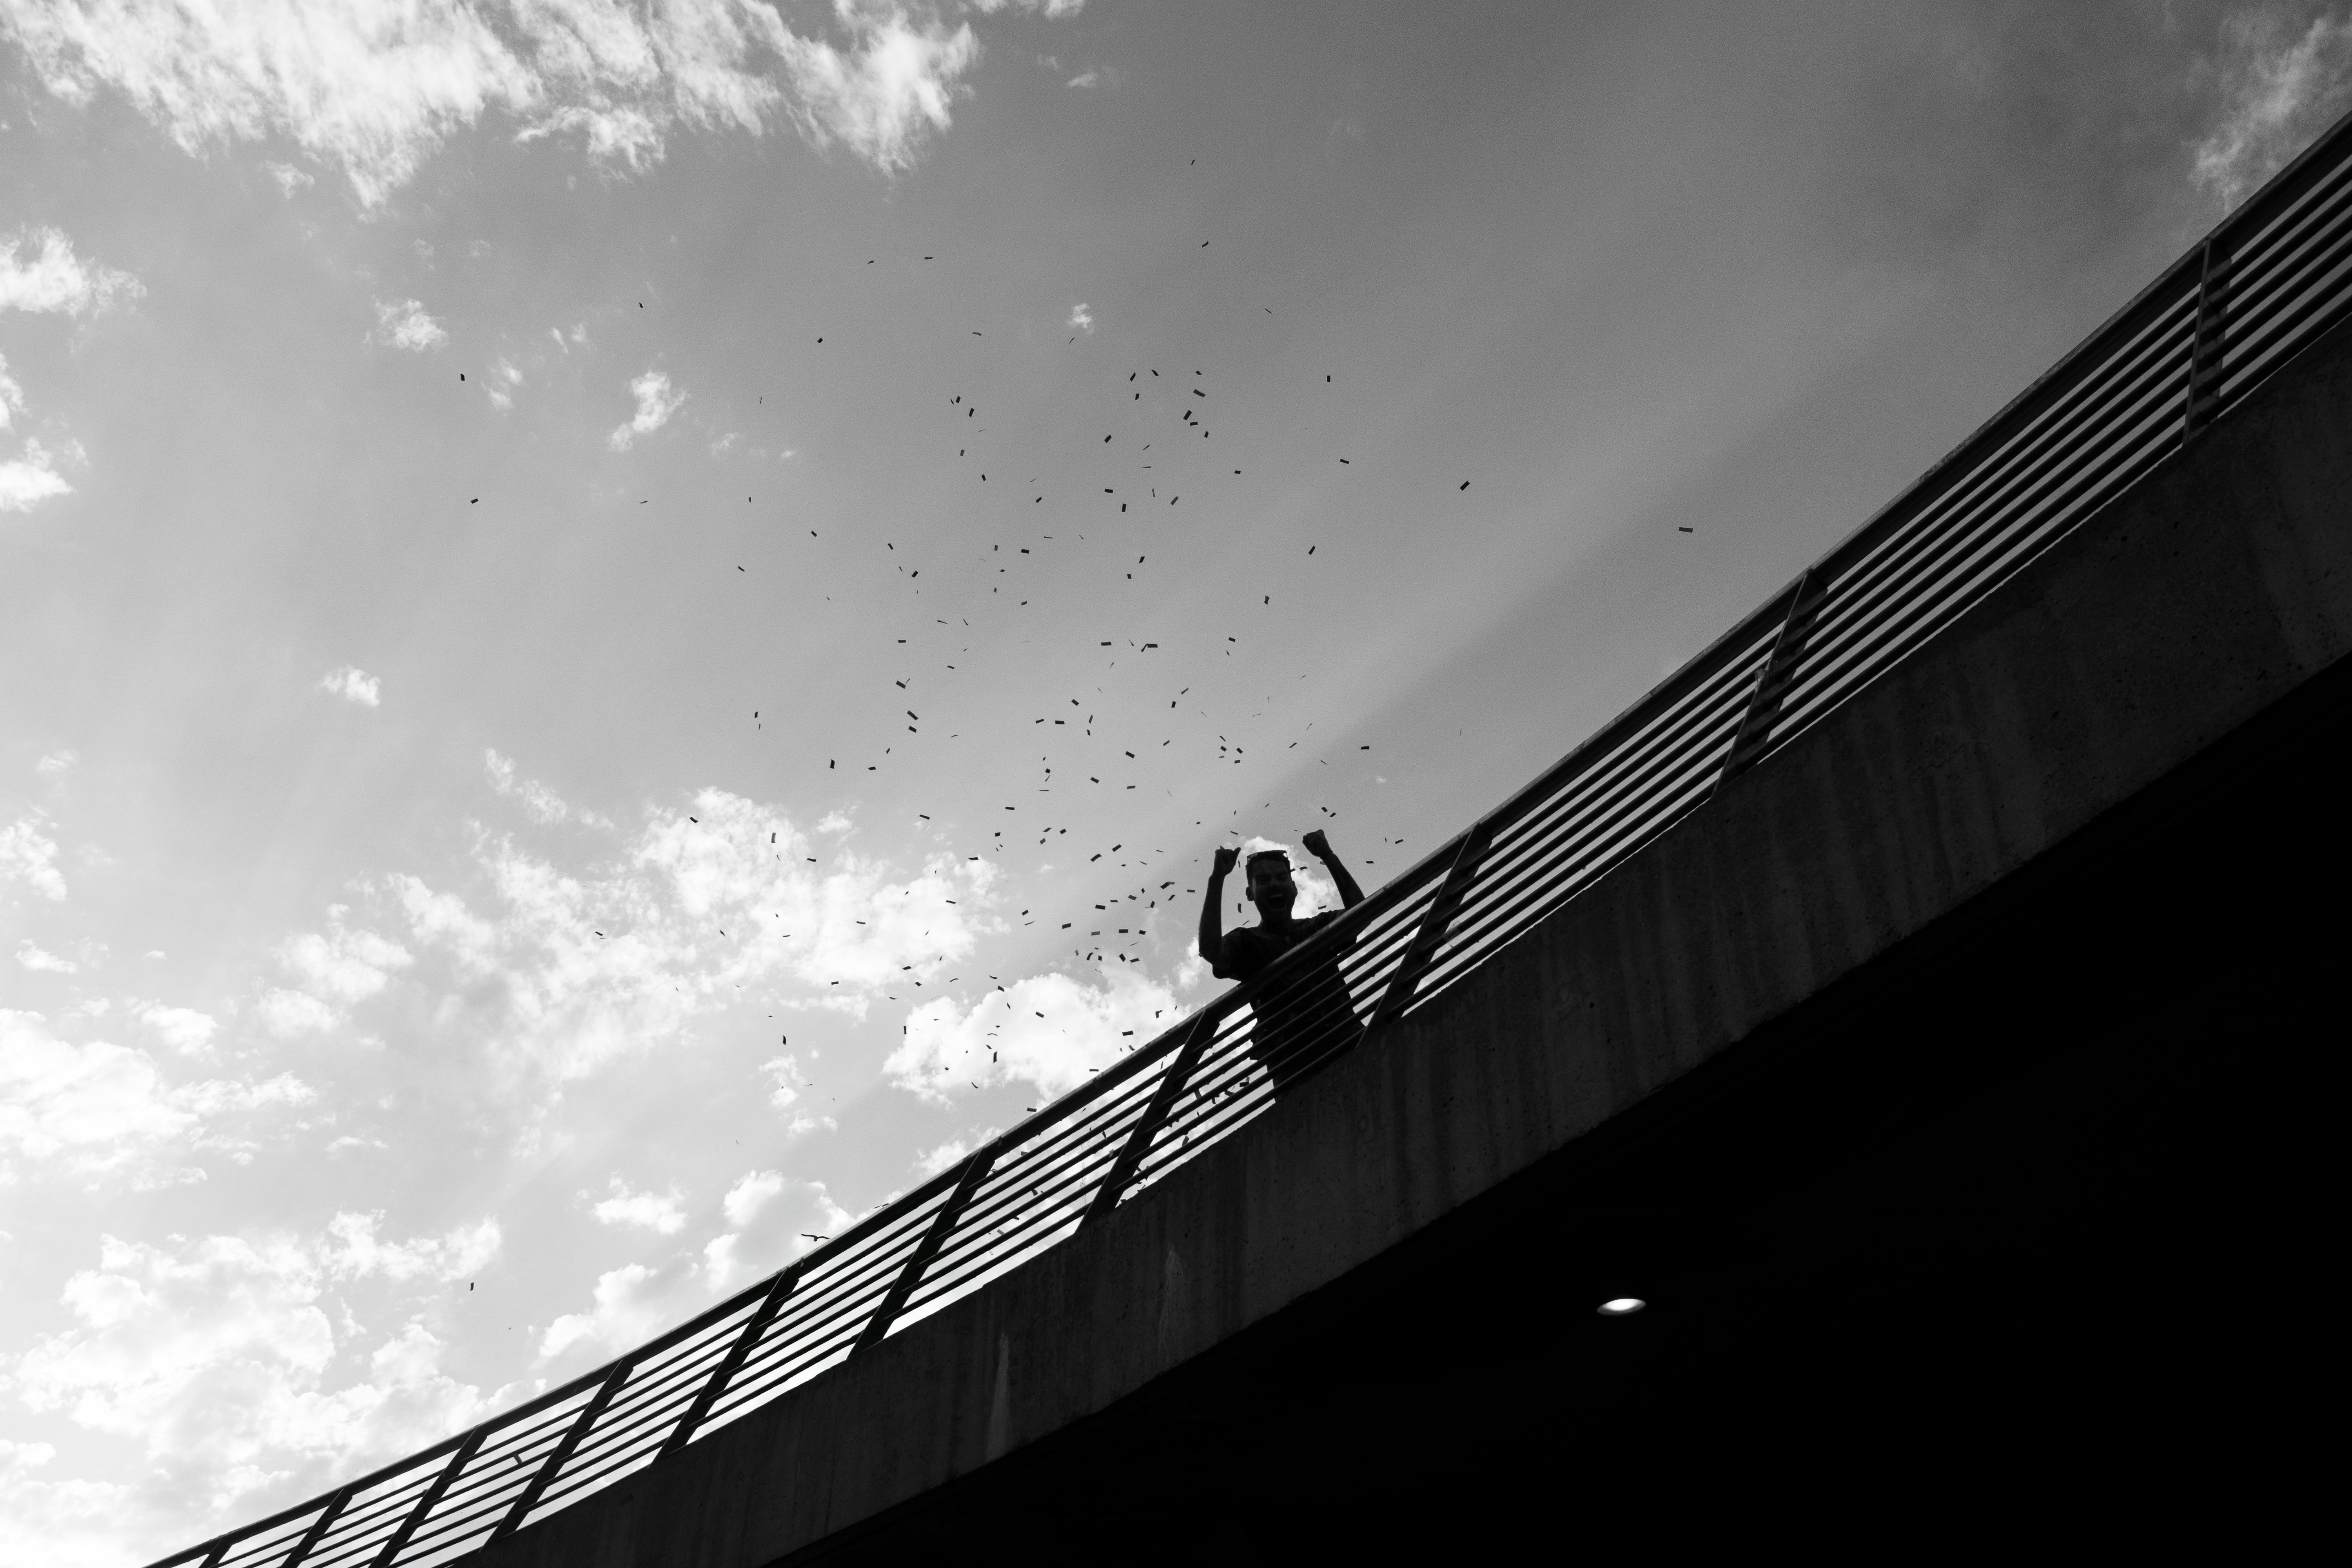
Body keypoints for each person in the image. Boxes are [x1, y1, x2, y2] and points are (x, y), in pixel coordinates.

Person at [1198, 830, 1367, 1094]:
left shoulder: (1316, 928)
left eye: (1282, 877)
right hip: (1295, 1070)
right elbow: (1211, 950)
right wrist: (1217, 879)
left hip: (1352, 1043)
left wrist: (1328, 855)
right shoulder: (1247, 942)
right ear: (1250, 893)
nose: (1275, 885)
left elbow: (1361, 914)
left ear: (1294, 887)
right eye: (1263, 880)